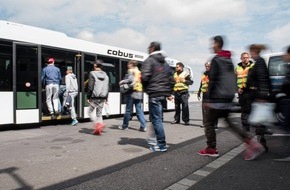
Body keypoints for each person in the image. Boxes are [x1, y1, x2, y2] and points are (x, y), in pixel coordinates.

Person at [198, 36, 265, 161]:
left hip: (217, 99)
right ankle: (251, 143)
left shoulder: (217, 60)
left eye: (213, 44)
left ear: (218, 44)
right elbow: (232, 79)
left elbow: (212, 81)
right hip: (227, 98)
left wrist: (208, 100)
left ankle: (211, 148)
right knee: (229, 123)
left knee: (208, 122)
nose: (211, 46)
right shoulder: (228, 60)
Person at [141, 41, 174, 152]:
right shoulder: (165, 63)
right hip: (162, 94)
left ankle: (161, 145)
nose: (147, 49)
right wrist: (168, 92)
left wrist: (147, 89)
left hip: (154, 94)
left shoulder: (149, 60)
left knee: (156, 120)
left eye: (149, 47)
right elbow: (172, 80)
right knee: (156, 119)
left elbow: (144, 77)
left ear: (153, 48)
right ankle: (153, 141)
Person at [246, 44, 273, 152]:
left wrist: (262, 95)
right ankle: (261, 141)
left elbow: (262, 79)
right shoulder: (258, 62)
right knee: (258, 121)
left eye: (251, 52)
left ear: (254, 51)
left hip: (259, 96)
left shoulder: (260, 62)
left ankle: (261, 142)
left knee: (258, 121)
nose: (250, 55)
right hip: (257, 95)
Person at [119, 60, 146, 131]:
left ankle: (125, 126)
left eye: (129, 64)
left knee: (128, 110)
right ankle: (143, 126)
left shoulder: (130, 70)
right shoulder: (139, 72)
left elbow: (130, 80)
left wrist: (122, 81)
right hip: (139, 92)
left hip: (132, 92)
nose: (128, 65)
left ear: (132, 64)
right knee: (139, 110)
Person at [87, 60, 109, 135]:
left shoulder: (92, 73)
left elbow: (90, 86)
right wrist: (106, 98)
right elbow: (107, 87)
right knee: (99, 113)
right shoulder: (106, 75)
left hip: (95, 97)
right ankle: (99, 128)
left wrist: (88, 96)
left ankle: (97, 124)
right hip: (103, 97)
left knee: (89, 112)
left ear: (95, 65)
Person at [235, 52, 254, 132]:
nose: (246, 59)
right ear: (241, 59)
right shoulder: (237, 68)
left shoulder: (253, 66)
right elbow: (234, 80)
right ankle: (245, 128)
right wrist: (237, 89)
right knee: (244, 110)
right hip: (241, 92)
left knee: (252, 110)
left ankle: (258, 129)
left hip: (251, 91)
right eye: (244, 58)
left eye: (247, 57)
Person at [197, 62, 218, 129]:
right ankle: (205, 123)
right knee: (204, 110)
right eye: (206, 66)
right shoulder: (203, 74)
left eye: (208, 66)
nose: (207, 67)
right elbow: (202, 83)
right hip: (205, 94)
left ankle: (215, 124)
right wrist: (199, 91)